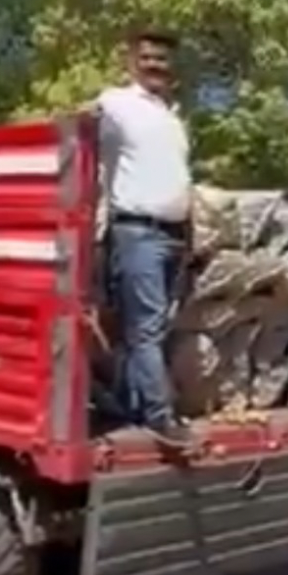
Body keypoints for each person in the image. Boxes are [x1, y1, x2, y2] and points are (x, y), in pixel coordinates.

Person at [94, 28, 194, 448]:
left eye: (163, 59)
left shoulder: (172, 117)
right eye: (148, 57)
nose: (156, 64)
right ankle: (158, 418)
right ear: (132, 61)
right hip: (137, 232)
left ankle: (134, 407)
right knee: (147, 330)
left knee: (149, 330)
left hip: (173, 236)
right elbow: (72, 124)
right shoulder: (116, 103)